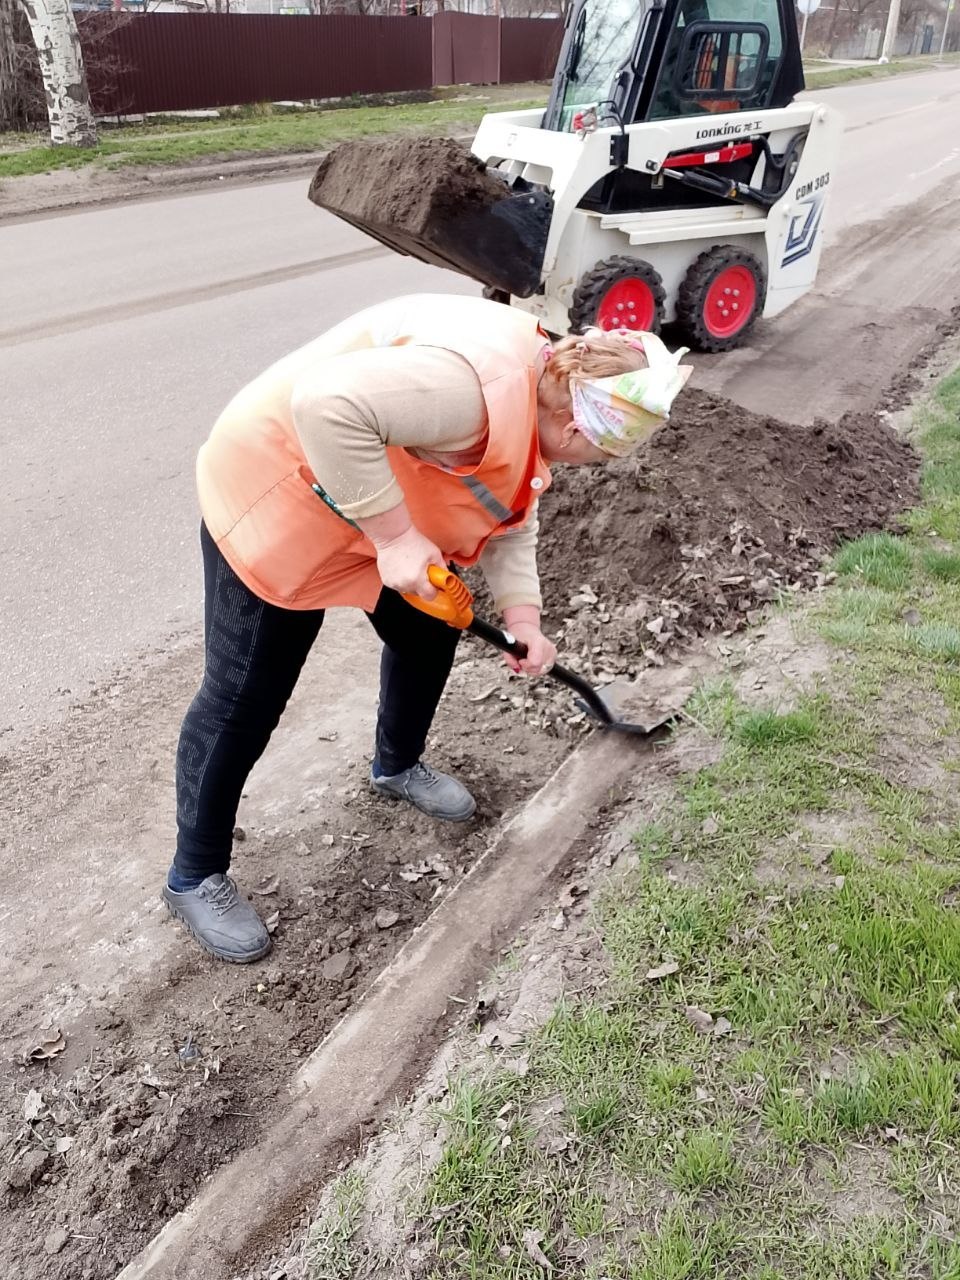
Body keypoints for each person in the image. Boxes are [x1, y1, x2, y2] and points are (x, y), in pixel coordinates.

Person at [164, 293, 691, 963]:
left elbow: (511, 501)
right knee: (247, 696)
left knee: (429, 632)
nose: (598, 467)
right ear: (577, 425)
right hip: (283, 490)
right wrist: (395, 536)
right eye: (603, 456)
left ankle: (396, 764)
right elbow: (327, 404)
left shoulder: (547, 388)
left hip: (366, 505)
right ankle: (193, 873)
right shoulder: (475, 390)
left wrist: (523, 617)